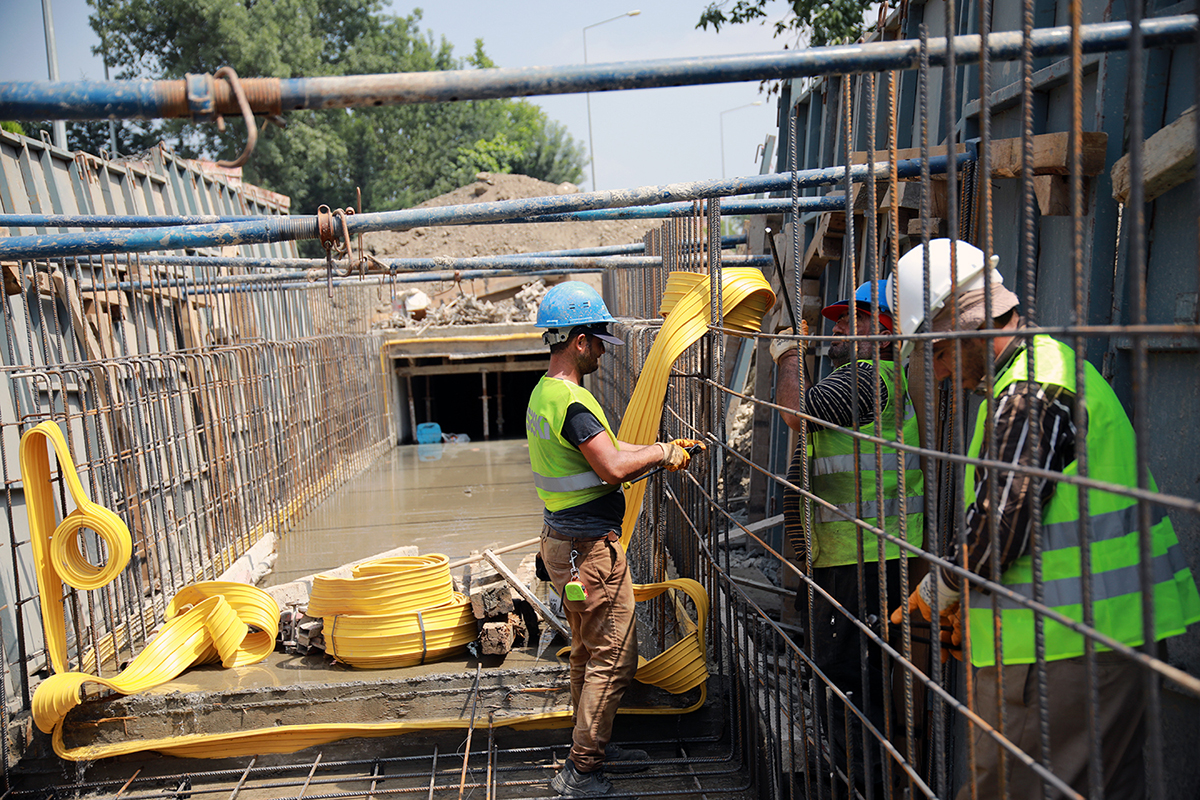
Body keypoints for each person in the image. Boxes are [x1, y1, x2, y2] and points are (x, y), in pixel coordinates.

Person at [887, 238, 1200, 799]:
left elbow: (995, 532)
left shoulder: (1034, 390)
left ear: (964, 325)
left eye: (934, 352)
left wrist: (938, 593)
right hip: (1096, 645)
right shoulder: (1039, 376)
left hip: (1064, 657)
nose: (933, 373)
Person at [527, 280, 702, 797]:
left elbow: (607, 446)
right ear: (578, 341)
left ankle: (592, 745)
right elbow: (610, 467)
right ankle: (582, 769)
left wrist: (657, 446)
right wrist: (661, 454)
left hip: (563, 545)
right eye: (600, 338)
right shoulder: (574, 402)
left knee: (585, 650)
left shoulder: (546, 394)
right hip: (591, 554)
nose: (605, 348)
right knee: (616, 654)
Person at [770, 279, 925, 797]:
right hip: (857, 553)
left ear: (884, 333)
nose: (836, 327)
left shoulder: (869, 378)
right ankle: (857, 778)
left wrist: (789, 354)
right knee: (851, 677)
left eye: (852, 318)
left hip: (865, 556)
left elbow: (794, 413)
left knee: (850, 678)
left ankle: (863, 785)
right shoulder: (862, 378)